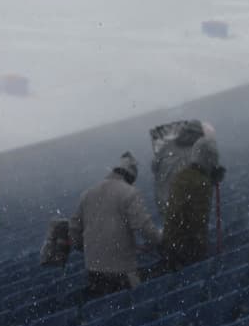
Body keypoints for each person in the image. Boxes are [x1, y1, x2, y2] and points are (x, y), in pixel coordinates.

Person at [68, 152, 162, 298]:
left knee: (107, 308)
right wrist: (159, 240)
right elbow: (145, 228)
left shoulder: (87, 194)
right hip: (122, 270)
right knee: (133, 304)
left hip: (94, 270)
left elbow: (74, 231)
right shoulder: (129, 192)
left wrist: (87, 249)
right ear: (131, 177)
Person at [161, 135, 226, 272]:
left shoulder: (182, 176)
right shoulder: (202, 184)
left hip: (171, 245)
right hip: (187, 249)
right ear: (210, 159)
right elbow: (199, 222)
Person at [150, 120, 212, 214]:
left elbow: (154, 167)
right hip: (182, 202)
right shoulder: (194, 152)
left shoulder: (167, 146)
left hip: (164, 200)